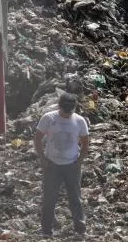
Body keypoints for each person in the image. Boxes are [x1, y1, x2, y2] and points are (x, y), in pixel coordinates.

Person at [34, 92, 90, 237]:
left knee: (75, 198)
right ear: (59, 106)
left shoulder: (79, 121)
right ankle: (46, 230)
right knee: (49, 199)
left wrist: (80, 161)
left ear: (74, 107)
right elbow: (38, 138)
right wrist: (42, 158)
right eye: (65, 109)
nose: (67, 112)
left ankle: (80, 228)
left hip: (72, 165)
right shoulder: (48, 118)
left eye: (70, 109)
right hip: (52, 165)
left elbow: (85, 142)